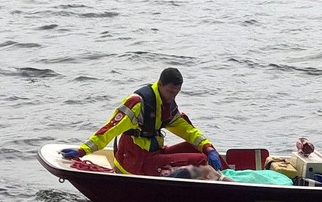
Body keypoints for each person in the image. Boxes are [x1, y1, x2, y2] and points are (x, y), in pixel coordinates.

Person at [59, 67, 223, 176]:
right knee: (200, 161)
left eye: (177, 92)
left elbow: (188, 131)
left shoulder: (167, 104)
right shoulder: (138, 103)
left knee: (202, 149)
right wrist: (82, 151)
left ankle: (230, 175)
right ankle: (220, 183)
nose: (173, 96)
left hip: (155, 154)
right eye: (170, 91)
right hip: (135, 161)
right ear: (160, 85)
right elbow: (109, 129)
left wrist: (208, 148)